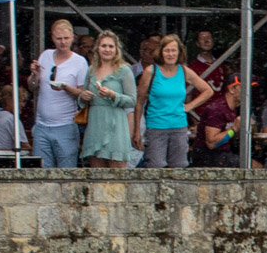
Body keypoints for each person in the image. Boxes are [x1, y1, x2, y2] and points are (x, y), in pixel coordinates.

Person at [137, 34, 212, 169]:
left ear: (179, 52)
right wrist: (136, 130)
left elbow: (208, 90)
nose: (170, 54)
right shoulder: (151, 71)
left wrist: (189, 106)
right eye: (167, 50)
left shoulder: (183, 71)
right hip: (156, 126)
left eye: (173, 50)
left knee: (179, 167)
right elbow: (139, 101)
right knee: (156, 166)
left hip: (179, 126)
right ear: (160, 52)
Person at [34, 19, 91, 167]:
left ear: (73, 37)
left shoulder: (80, 62)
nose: (63, 42)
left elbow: (82, 94)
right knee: (41, 172)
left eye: (66, 38)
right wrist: (34, 75)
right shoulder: (45, 55)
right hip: (41, 125)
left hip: (66, 125)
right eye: (59, 39)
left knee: (67, 171)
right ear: (52, 38)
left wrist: (66, 87)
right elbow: (33, 87)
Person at [80, 31, 138, 168]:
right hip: (96, 122)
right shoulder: (91, 70)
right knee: (96, 172)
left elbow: (132, 100)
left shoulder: (124, 70)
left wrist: (113, 95)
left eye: (111, 46)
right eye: (104, 46)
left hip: (116, 122)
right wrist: (83, 96)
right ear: (97, 48)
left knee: (117, 172)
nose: (107, 49)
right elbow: (83, 98)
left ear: (116, 49)